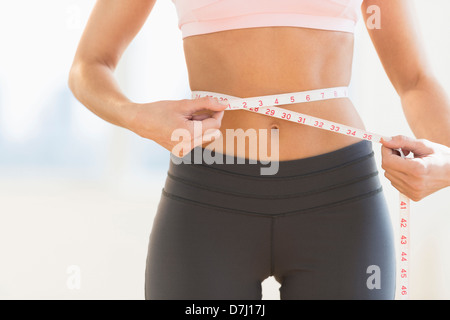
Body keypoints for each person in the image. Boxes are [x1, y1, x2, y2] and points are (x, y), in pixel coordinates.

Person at [68, 0, 450, 300]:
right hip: (208, 195)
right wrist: (136, 116)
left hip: (339, 200)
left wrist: (447, 161)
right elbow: (89, 65)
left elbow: (415, 79)